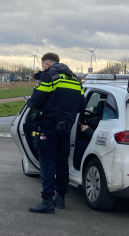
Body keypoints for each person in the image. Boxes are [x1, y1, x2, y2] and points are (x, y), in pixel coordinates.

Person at [25, 53, 85, 214]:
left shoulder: (49, 76)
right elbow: (82, 106)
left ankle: (47, 201)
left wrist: (30, 101)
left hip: (48, 127)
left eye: (43, 65)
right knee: (62, 162)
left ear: (46, 64)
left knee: (47, 164)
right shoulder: (75, 80)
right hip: (66, 127)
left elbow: (37, 101)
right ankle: (61, 198)